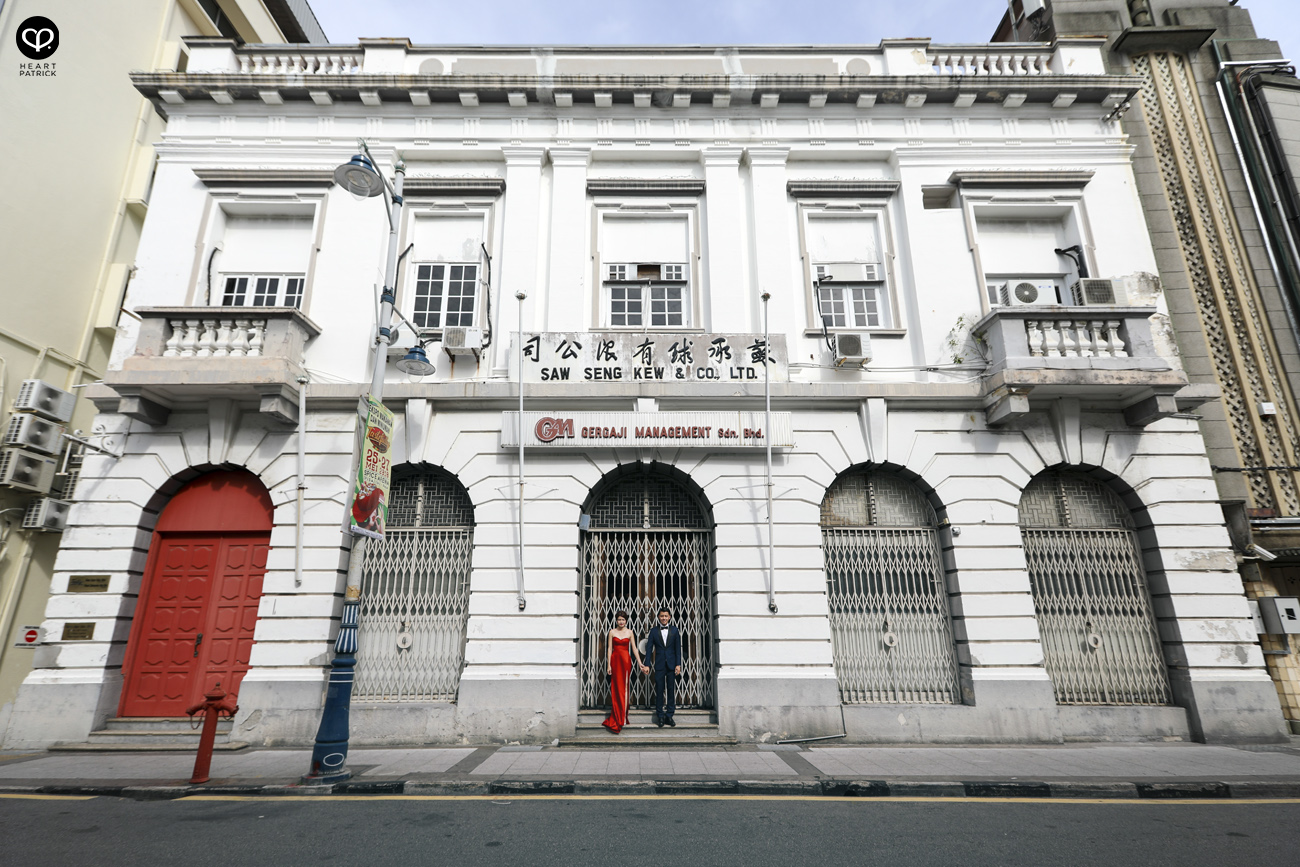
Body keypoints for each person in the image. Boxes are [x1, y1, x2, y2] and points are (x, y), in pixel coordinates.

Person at [602, 611, 645, 734]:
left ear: (626, 621)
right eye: (619, 619)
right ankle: (617, 714)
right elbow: (609, 648)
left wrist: (640, 662)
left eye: (623, 619)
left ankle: (623, 716)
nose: (621, 622)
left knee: (624, 688)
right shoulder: (612, 632)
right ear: (616, 620)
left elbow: (634, 648)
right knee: (616, 688)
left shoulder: (630, 632)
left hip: (626, 661)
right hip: (615, 661)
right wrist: (608, 665)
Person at [644, 607, 683, 727]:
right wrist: (647, 664)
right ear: (658, 617)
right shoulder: (654, 631)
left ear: (669, 617)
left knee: (671, 690)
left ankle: (669, 715)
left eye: (666, 616)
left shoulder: (675, 630)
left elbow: (678, 649)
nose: (664, 618)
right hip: (659, 664)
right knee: (659, 690)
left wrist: (678, 664)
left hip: (671, 664)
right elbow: (649, 649)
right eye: (662, 616)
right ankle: (660, 716)